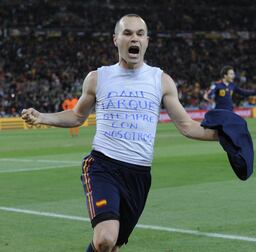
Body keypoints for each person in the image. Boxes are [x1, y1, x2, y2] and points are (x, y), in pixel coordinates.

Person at [21, 14, 219, 252]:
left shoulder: (162, 81)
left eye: (140, 33)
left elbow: (188, 126)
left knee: (112, 245)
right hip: (103, 166)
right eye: (127, 33)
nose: (133, 38)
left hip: (139, 175)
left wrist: (224, 136)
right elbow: (76, 116)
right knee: (105, 238)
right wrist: (42, 117)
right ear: (116, 40)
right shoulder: (97, 78)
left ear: (146, 41)